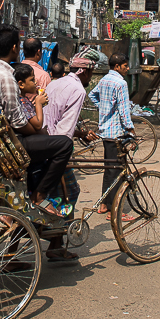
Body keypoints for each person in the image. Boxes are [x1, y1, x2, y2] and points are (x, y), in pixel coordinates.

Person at [0, 24, 67, 215]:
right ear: (15, 48)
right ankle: (39, 196)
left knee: (43, 145)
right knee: (64, 144)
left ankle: (30, 192)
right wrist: (36, 128)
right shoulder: (6, 76)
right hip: (8, 141)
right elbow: (17, 121)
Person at [40, 53, 98, 260]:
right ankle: (54, 241)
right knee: (70, 192)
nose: (91, 77)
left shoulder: (56, 83)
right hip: (56, 150)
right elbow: (64, 130)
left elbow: (55, 118)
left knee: (54, 194)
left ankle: (56, 242)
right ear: (84, 71)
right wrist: (63, 156)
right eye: (91, 72)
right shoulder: (78, 90)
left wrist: (81, 133)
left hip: (42, 142)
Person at [89, 53, 135, 217]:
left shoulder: (104, 80)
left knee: (109, 170)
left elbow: (92, 95)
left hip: (106, 132)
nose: (127, 68)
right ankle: (115, 209)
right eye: (125, 66)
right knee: (118, 171)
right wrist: (130, 129)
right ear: (117, 66)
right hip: (117, 133)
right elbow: (124, 111)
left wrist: (102, 108)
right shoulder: (120, 83)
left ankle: (104, 204)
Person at [14, 64, 45, 133]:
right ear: (21, 84)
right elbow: (38, 125)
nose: (35, 82)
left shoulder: (24, 98)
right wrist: (38, 103)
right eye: (32, 80)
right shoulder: (22, 101)